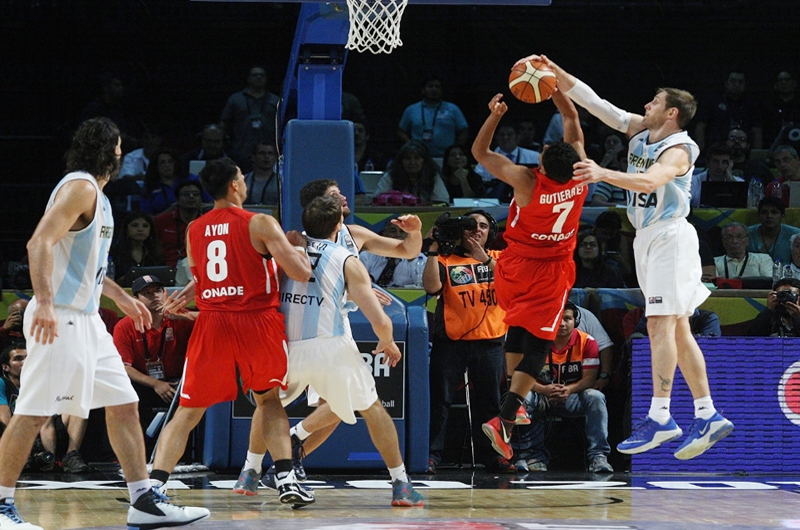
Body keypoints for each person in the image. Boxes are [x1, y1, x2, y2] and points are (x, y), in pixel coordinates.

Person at [0, 117, 209, 530]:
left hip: (88, 320)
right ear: (111, 150)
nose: (121, 152)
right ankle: (2, 504)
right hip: (60, 319)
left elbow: (84, 264)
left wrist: (121, 296)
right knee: (32, 412)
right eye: (118, 147)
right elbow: (38, 242)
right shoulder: (79, 188)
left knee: (125, 404)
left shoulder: (98, 195)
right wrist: (42, 303)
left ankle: (143, 500)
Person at [540, 53, 734, 459]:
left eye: (654, 102)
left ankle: (661, 416)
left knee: (659, 325)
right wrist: (557, 74)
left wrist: (602, 173)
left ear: (672, 112)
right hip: (647, 237)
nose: (646, 106)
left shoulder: (681, 149)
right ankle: (708, 414)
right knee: (679, 330)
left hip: (670, 238)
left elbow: (650, 180)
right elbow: (597, 104)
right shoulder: (640, 133)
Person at [149, 157, 314, 508]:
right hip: (256, 320)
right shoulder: (260, 222)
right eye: (242, 176)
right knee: (268, 400)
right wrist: (297, 245)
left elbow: (205, 277)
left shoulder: (194, 229)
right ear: (235, 185)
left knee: (189, 411)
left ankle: (155, 484)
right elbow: (300, 272)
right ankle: (286, 478)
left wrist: (189, 294)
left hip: (213, 322)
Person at [254, 178, 423, 482]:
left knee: (337, 406)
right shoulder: (293, 243)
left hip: (335, 325)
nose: (344, 196)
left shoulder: (353, 234)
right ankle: (277, 454)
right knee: (346, 405)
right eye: (335, 195)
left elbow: (407, 251)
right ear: (321, 206)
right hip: (304, 329)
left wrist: (416, 232)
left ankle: (286, 454)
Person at [471, 87, 588, 462]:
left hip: (512, 265)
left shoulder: (526, 180)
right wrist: (555, 90)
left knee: (518, 329)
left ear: (542, 160)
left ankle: (514, 403)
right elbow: (572, 120)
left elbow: (479, 154)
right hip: (550, 270)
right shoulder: (582, 177)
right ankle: (504, 418)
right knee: (541, 343)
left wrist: (495, 114)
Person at [422, 210, 510, 474]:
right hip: (451, 341)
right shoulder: (446, 260)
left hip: (491, 341)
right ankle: (431, 455)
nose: (477, 230)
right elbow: (430, 288)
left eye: (483, 226)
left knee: (491, 403)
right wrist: (431, 251)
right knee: (440, 401)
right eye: (471, 225)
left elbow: (513, 284)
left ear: (490, 233)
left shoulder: (499, 258)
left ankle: (494, 457)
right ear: (460, 231)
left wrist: (484, 259)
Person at [512, 302, 613, 474]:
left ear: (576, 321)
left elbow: (589, 380)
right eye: (558, 318)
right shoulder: (535, 341)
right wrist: (544, 390)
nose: (562, 323)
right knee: (523, 396)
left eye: (567, 319)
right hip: (541, 394)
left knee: (595, 397)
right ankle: (526, 455)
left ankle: (598, 456)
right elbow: (520, 377)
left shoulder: (587, 342)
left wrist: (568, 390)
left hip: (572, 397)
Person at [112, 275, 194, 439]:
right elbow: (124, 367)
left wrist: (182, 316)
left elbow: (212, 323)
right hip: (143, 383)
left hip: (177, 381)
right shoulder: (125, 326)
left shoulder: (181, 318)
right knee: (125, 393)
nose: (155, 295)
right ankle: (138, 450)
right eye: (147, 293)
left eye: (158, 290)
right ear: (136, 299)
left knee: (193, 394)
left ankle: (187, 452)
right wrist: (156, 384)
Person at [0, 343, 92, 474]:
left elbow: (47, 422)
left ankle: (71, 456)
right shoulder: (3, 384)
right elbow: (4, 418)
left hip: (47, 434)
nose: (25, 362)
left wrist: (50, 457)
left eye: (27, 358)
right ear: (6, 367)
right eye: (18, 359)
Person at [220, 65, 280, 168]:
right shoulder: (235, 99)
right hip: (241, 151)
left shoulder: (275, 100)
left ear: (266, 78)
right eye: (255, 75)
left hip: (268, 152)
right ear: (248, 78)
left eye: (261, 75)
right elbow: (224, 123)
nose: (258, 77)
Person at [397, 75, 469, 159]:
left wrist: (456, 150)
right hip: (419, 158)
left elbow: (464, 130)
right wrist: (411, 145)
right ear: (423, 90)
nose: (434, 89)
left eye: (437, 87)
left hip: (446, 157)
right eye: (430, 86)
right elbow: (401, 131)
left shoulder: (453, 109)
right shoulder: (411, 109)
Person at [694, 70, 762, 151]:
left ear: (745, 85)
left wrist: (757, 153)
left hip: (743, 151)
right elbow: (701, 126)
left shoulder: (751, 105)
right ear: (726, 83)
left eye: (740, 82)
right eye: (733, 81)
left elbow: (757, 131)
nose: (736, 84)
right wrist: (699, 149)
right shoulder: (712, 102)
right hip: (715, 149)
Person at [374, 140, 450, 205]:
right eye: (407, 158)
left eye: (417, 158)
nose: (412, 162)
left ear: (424, 160)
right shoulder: (391, 176)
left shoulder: (432, 175)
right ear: (401, 161)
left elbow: (443, 202)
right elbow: (377, 200)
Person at [152, 180, 206, 268]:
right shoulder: (161, 221)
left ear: (201, 199)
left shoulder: (209, 223)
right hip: (168, 270)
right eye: (186, 194)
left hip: (200, 270)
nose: (191, 197)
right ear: (177, 199)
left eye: (196, 194)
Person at [359, 223, 426, 288]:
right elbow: (359, 284)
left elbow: (420, 286)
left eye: (402, 232)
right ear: (384, 234)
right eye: (393, 231)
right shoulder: (367, 255)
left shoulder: (419, 258)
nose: (398, 235)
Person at [109, 213, 166, 287]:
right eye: (135, 225)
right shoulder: (114, 252)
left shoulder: (156, 253)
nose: (140, 229)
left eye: (145, 226)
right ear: (126, 229)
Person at [746, 196, 800, 265]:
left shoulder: (796, 235)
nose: (769, 216)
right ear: (759, 215)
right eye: (764, 212)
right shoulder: (747, 233)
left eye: (774, 212)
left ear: (782, 216)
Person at [690, 143, 744, 208]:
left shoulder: (739, 182)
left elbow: (745, 204)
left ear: (731, 163)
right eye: (715, 161)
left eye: (724, 162)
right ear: (707, 162)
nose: (720, 166)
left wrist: (731, 179)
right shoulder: (694, 181)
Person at [763, 71, 800, 147]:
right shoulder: (769, 106)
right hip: (774, 146)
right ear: (775, 85)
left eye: (787, 80)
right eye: (780, 80)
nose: (784, 83)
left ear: (794, 83)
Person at [243, 141, 279, 206]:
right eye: (262, 153)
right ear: (253, 157)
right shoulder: (243, 180)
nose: (266, 157)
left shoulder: (281, 182)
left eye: (270, 153)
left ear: (275, 158)